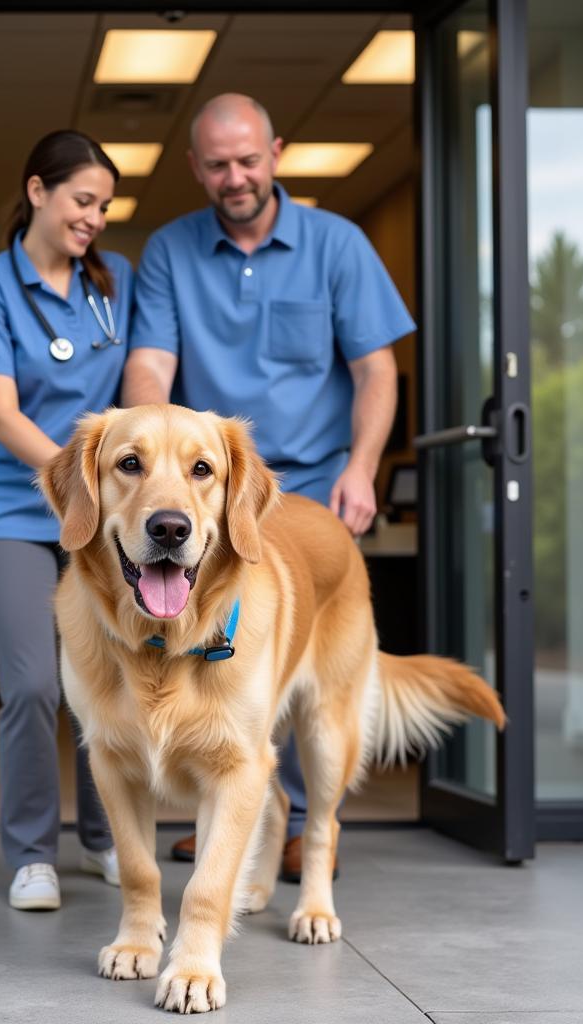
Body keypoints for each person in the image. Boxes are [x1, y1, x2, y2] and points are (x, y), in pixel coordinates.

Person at [122, 93, 414, 881]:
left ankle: (291, 825)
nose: (235, 177)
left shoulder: (337, 245)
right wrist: (150, 441)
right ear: (194, 168)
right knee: (199, 648)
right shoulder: (171, 252)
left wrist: (363, 466)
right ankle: (235, 808)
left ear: (276, 152)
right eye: (217, 165)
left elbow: (374, 370)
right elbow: (151, 362)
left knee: (282, 666)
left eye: (248, 160)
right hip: (210, 488)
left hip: (312, 488)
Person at [0, 130, 132, 911]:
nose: (93, 218)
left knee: (111, 677)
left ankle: (105, 838)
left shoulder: (114, 279)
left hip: (107, 521)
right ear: (37, 192)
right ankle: (31, 854)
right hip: (17, 512)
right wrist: (80, 483)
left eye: (103, 208)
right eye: (82, 201)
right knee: (31, 684)